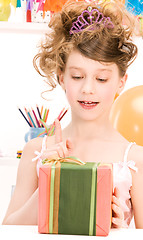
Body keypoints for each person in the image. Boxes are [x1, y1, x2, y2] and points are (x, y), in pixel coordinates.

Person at [2, 0, 143, 228]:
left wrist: (120, 232)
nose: (88, 88)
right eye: (77, 76)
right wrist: (51, 181)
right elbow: (9, 230)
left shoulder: (136, 160)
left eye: (102, 79)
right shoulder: (37, 152)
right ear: (61, 77)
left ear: (121, 82)